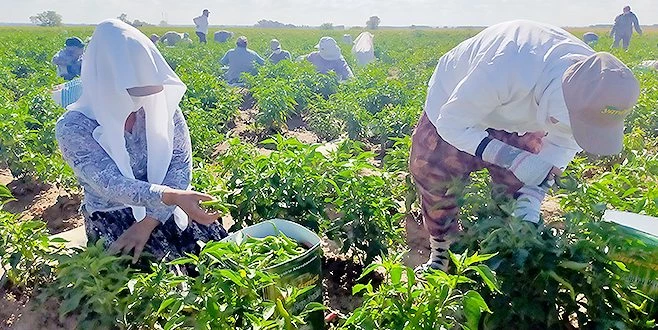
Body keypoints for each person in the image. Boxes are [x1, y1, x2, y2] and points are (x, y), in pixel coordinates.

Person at [410, 20, 640, 271]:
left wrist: (531, 195)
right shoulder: (508, 64)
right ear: (561, 98)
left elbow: (563, 143)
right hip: (455, 105)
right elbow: (452, 124)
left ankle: (498, 246)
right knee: (435, 173)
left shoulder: (596, 92)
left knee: (517, 184)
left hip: (522, 115)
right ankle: (443, 251)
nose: (574, 130)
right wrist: (512, 158)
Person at [55, 19, 227, 264]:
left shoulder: (160, 106)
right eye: (134, 92)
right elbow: (110, 184)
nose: (144, 102)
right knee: (153, 277)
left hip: (166, 201)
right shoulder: (74, 127)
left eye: (150, 92)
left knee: (216, 257)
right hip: (115, 212)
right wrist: (169, 197)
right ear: (108, 83)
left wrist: (150, 220)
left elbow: (179, 162)